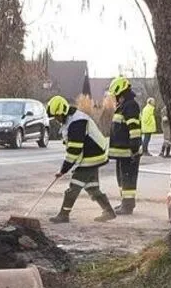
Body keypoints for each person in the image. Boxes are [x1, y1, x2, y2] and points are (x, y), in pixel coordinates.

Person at [45, 95, 117, 223]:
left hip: (91, 156)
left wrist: (63, 170)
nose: (56, 119)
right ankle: (109, 211)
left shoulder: (77, 122)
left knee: (74, 186)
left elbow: (74, 151)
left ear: (63, 112)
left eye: (57, 116)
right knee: (92, 187)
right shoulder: (71, 120)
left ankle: (64, 215)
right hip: (93, 155)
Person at [107, 76, 142, 215]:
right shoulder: (124, 106)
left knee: (128, 179)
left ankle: (127, 206)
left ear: (121, 93)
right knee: (122, 178)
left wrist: (134, 148)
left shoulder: (130, 105)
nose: (115, 98)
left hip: (129, 152)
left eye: (116, 95)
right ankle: (124, 203)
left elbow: (134, 128)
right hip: (122, 152)